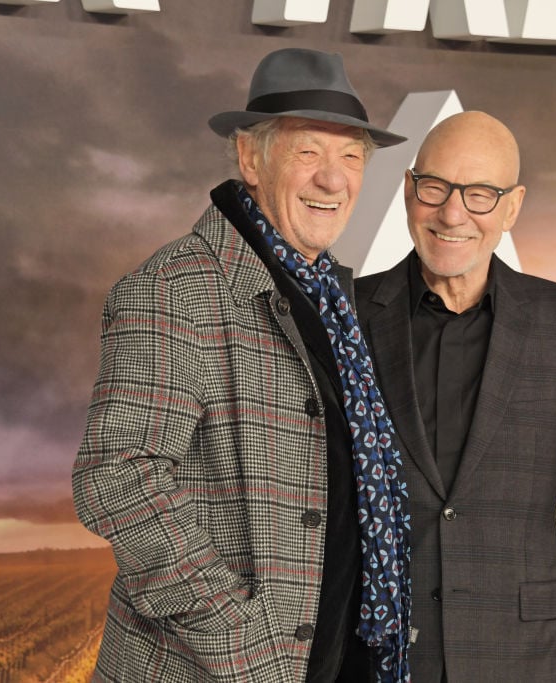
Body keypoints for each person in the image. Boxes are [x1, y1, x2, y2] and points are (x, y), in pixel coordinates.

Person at [73, 48, 413, 682]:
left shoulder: (331, 296)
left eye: (350, 156)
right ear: (250, 158)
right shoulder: (176, 288)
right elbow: (117, 479)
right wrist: (242, 643)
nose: (333, 180)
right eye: (309, 152)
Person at [354, 111, 556, 681]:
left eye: (480, 194)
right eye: (434, 188)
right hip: (382, 660)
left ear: (511, 207)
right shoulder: (348, 316)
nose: (452, 214)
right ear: (409, 191)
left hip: (529, 659)